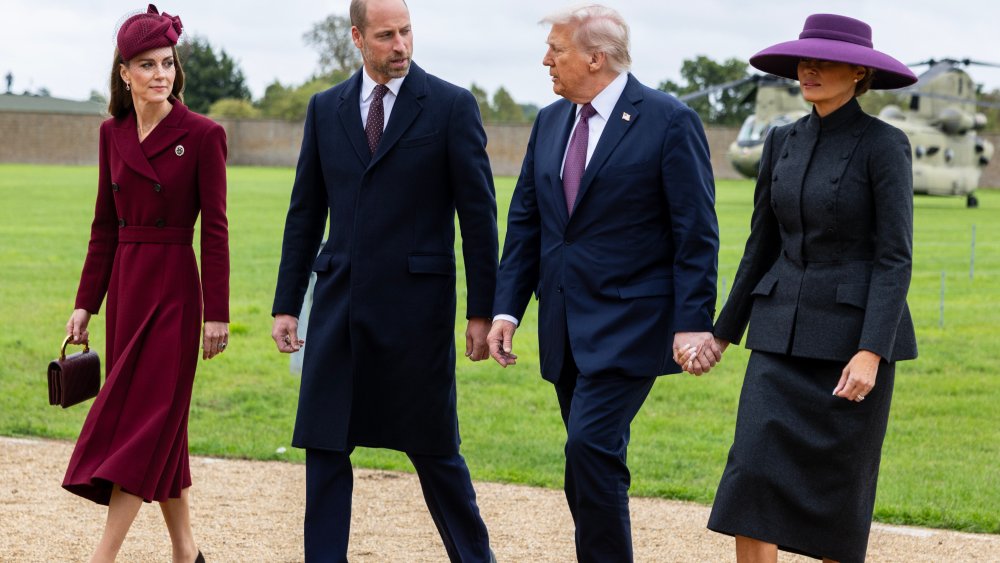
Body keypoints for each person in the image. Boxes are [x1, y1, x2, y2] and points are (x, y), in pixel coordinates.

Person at [487, 5, 720, 561]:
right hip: (565, 325)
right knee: (586, 460)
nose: (547, 60)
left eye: (557, 50)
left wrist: (693, 323)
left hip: (633, 324)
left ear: (595, 56)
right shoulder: (549, 121)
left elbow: (696, 232)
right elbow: (527, 223)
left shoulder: (668, 120)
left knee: (590, 447)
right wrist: (506, 310)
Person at [269, 0, 498, 560]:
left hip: (415, 314)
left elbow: (478, 216)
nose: (400, 45)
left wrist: (481, 311)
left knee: (435, 451)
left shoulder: (449, 106)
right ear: (357, 37)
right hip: (338, 306)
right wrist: (286, 305)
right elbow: (305, 213)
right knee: (324, 447)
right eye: (386, 35)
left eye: (407, 32)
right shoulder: (326, 109)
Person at [698, 13, 919, 563]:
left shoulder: (884, 145)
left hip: (850, 346)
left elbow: (894, 258)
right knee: (749, 479)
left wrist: (871, 351)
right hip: (776, 339)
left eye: (824, 60)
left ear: (859, 73)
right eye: (804, 59)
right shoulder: (780, 142)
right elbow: (760, 247)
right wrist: (722, 334)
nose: (809, 68)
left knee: (834, 500)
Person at [62, 4, 229, 563]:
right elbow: (103, 227)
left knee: (143, 424)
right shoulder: (111, 134)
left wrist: (217, 312)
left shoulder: (204, 135)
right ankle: (187, 552)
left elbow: (217, 233)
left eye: (168, 63)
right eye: (147, 64)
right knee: (159, 428)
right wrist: (87, 304)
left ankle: (101, 558)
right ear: (124, 73)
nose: (162, 74)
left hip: (177, 293)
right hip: (128, 291)